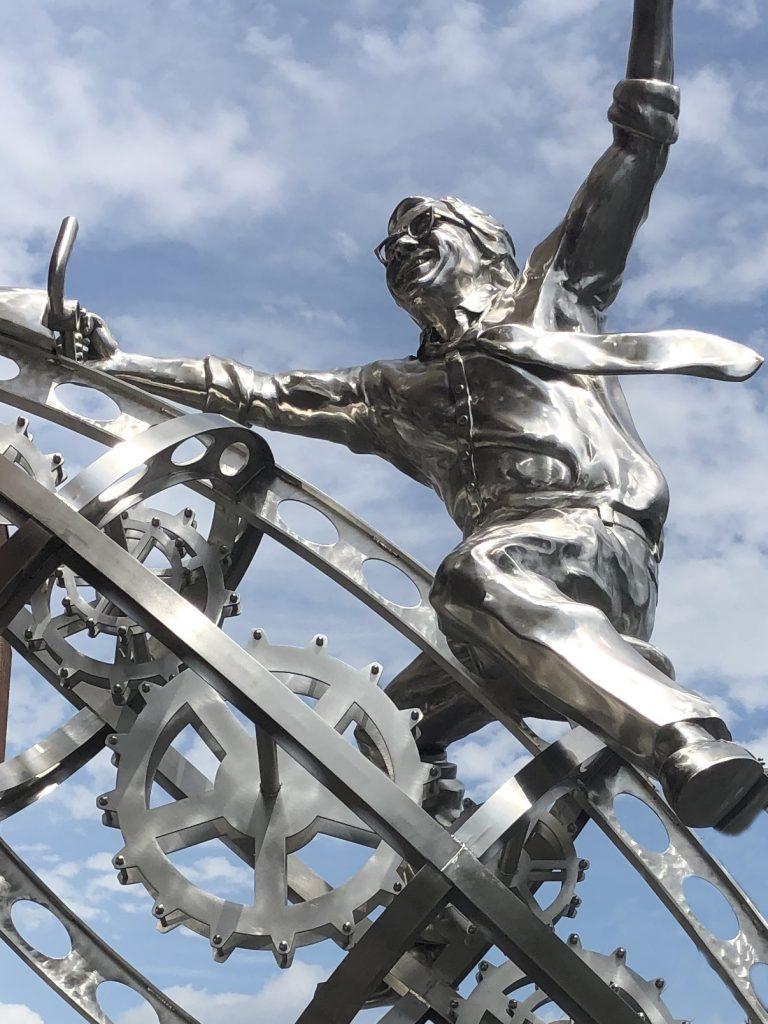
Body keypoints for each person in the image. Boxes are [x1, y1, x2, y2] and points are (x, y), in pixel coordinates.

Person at [84, 0, 767, 830]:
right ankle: (469, 872)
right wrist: (114, 362)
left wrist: (653, 12)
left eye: (421, 227)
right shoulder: (394, 393)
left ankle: (685, 737)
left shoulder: (552, 296)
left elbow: (640, 142)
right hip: (501, 604)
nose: (403, 247)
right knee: (374, 743)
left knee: (472, 577)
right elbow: (252, 390)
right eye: (390, 247)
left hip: (588, 543)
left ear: (488, 245)